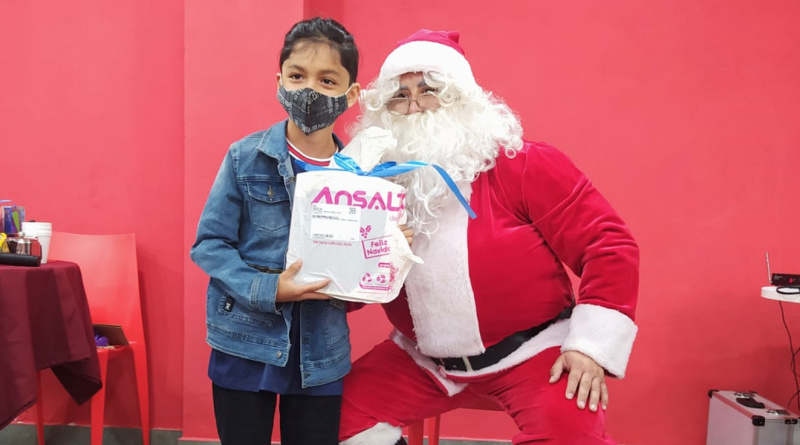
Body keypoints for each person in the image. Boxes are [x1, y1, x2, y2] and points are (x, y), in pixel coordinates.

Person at [338, 30, 640, 445]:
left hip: (532, 353)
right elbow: (354, 284)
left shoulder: (524, 165)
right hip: (422, 360)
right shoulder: (374, 184)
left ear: (460, 97)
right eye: (400, 96)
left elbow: (608, 245)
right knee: (329, 420)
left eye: (428, 91)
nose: (413, 107)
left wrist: (590, 346)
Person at [190, 17, 362, 445]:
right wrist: (271, 289)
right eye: (297, 76)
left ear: (351, 93)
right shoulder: (244, 157)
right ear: (279, 80)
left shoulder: (363, 178)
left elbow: (359, 282)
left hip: (320, 353)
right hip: (244, 342)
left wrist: (387, 257)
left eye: (327, 80)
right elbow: (210, 245)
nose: (309, 91)